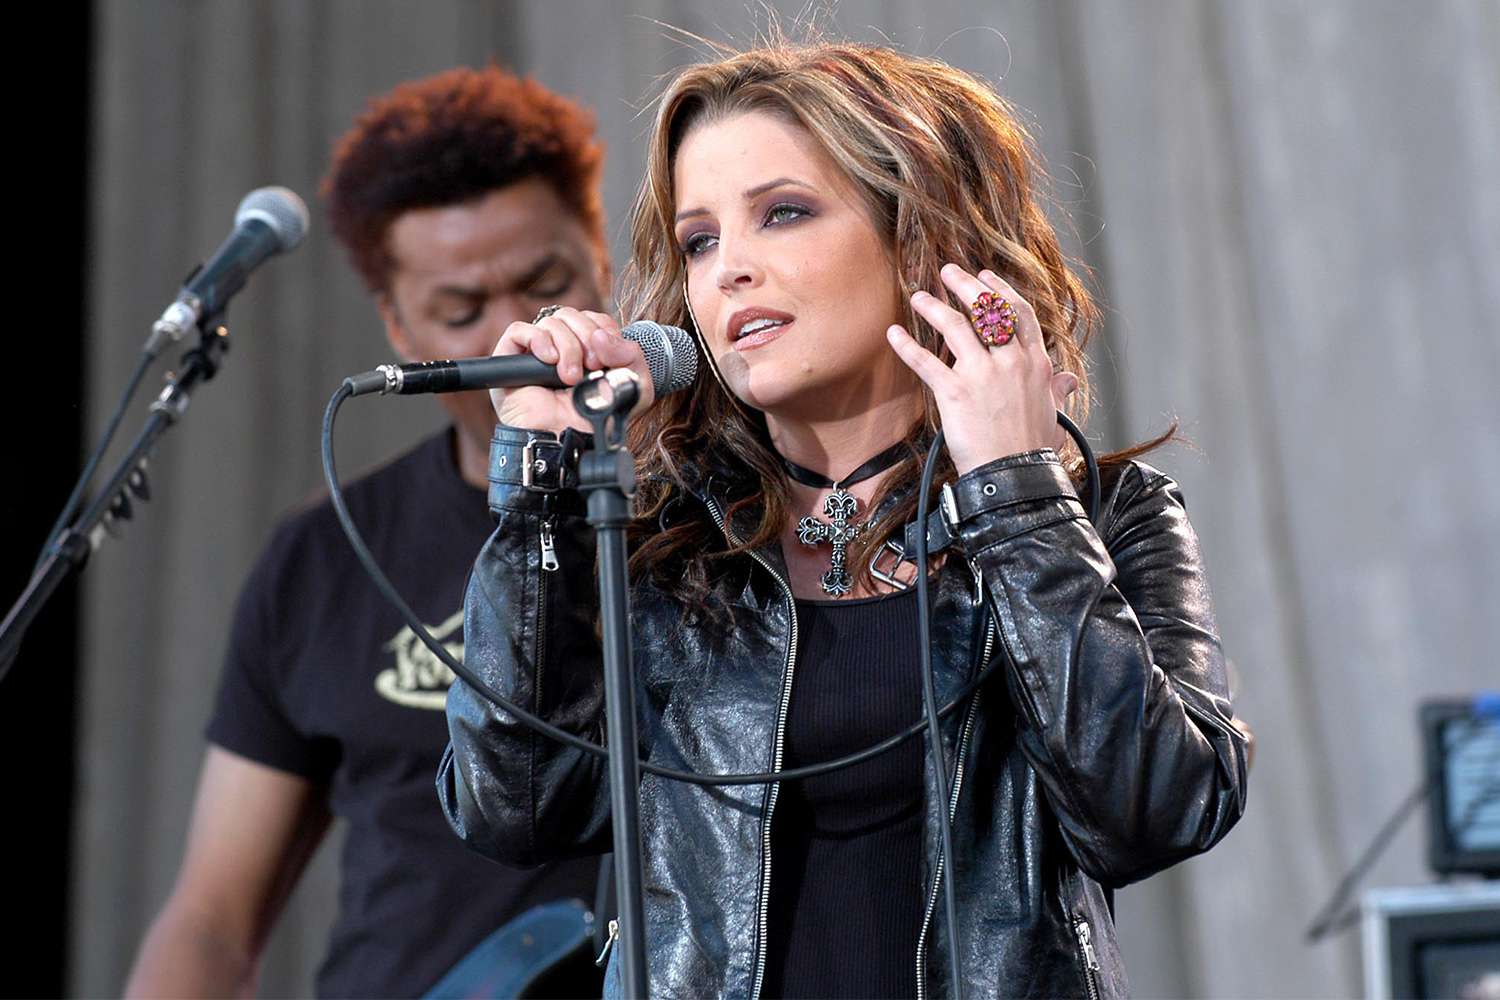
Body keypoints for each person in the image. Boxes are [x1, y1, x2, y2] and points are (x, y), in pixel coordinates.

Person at [440, 39, 1250, 998]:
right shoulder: (656, 534)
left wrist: (1015, 492)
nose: (729, 269)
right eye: (700, 241)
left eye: (782, 214)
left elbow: (1154, 810)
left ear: (920, 237)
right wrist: (545, 489)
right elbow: (515, 808)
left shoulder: (1096, 515)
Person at [126, 66, 611, 999]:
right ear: (396, 324)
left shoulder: (707, 518)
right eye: (461, 311)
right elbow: (212, 918)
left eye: (546, 284)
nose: (514, 335)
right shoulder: (321, 560)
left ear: (603, 257)